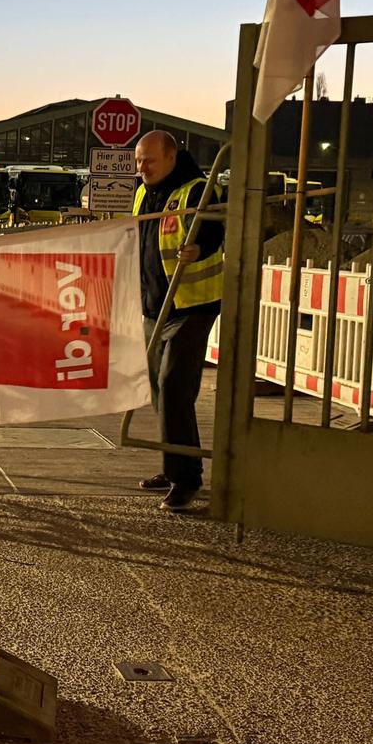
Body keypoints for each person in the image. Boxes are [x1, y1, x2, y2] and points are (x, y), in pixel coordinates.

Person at [131, 129, 224, 512]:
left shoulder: (196, 190)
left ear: (171, 157)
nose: (142, 168)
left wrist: (199, 247)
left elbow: (215, 231)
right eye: (138, 161)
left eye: (149, 160)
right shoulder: (142, 193)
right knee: (158, 389)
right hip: (155, 307)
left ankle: (187, 480)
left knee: (173, 387)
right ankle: (173, 465)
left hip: (192, 307)